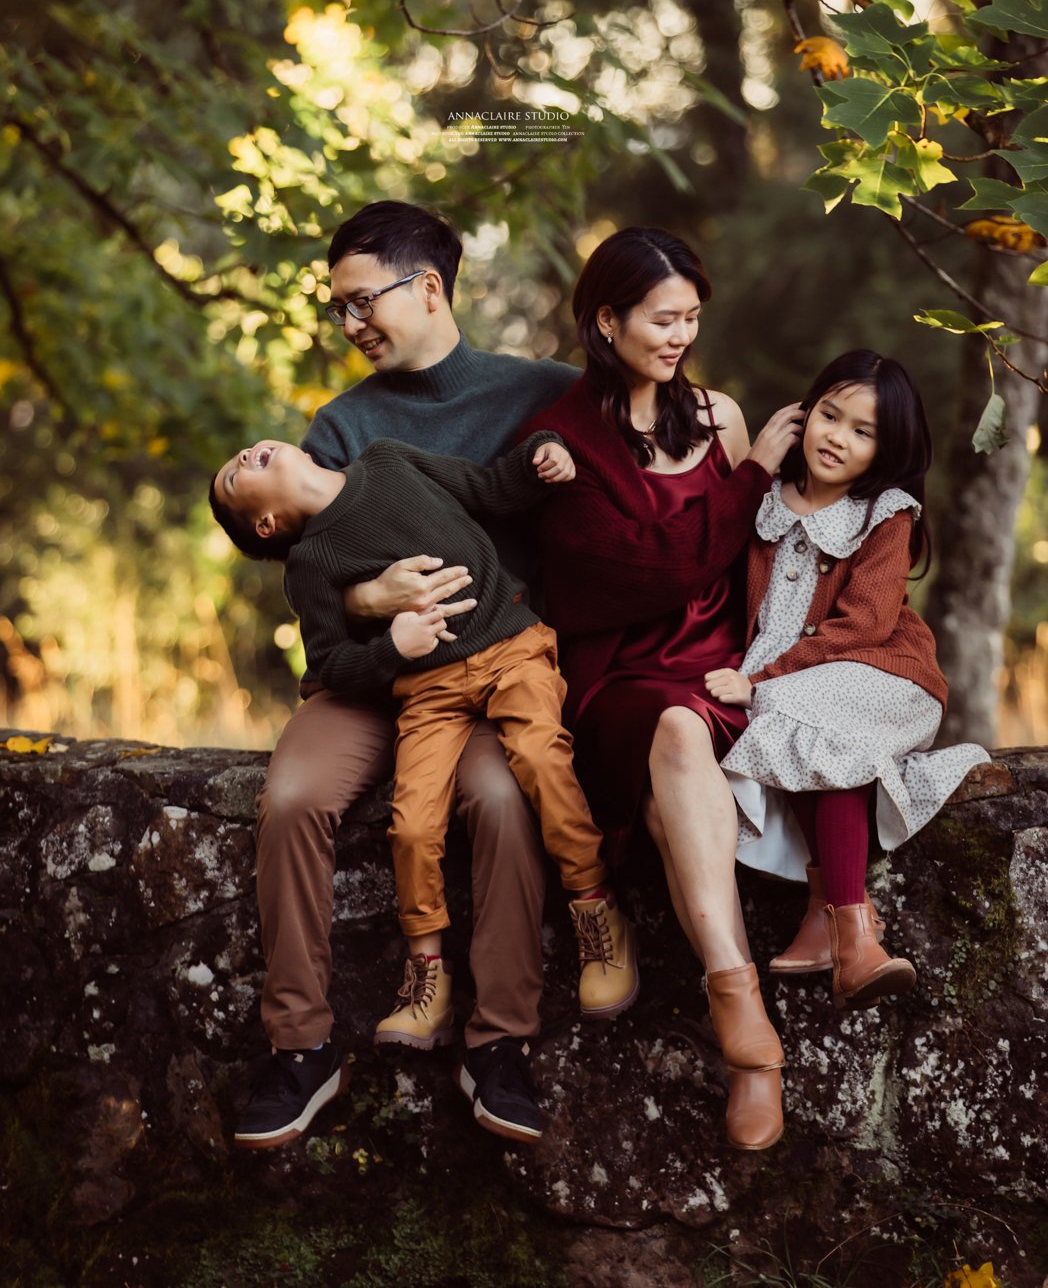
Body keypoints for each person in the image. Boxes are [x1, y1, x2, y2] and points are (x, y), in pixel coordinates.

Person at [234, 200, 579, 1150]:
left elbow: (650, 435)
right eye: (338, 310)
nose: (350, 326)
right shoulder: (342, 423)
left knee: (505, 806)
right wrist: (372, 601)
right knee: (295, 797)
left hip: (487, 675)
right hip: (364, 683)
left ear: (427, 286)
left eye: (361, 302)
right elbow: (316, 579)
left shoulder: (543, 390)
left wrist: (746, 431)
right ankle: (300, 1048)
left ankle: (497, 1043)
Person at [209, 429, 636, 1071]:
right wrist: (391, 648)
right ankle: (426, 974)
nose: (243, 454)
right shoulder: (311, 567)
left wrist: (541, 454)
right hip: (427, 687)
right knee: (411, 824)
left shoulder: (387, 458)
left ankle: (594, 906)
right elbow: (330, 664)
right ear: (267, 524)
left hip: (511, 649)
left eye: (240, 451)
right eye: (234, 476)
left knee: (541, 761)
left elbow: (488, 489)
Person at [521, 226, 804, 1154]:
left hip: (724, 668)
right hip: (619, 681)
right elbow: (648, 572)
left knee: (680, 762)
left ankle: (744, 1031)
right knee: (673, 732)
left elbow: (760, 551)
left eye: (692, 317)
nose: (681, 334)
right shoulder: (559, 441)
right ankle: (744, 1018)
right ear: (606, 320)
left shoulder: (719, 416)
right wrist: (756, 467)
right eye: (662, 317)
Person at [705, 350, 989, 1010]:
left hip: (884, 679)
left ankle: (851, 935)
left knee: (802, 721)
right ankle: (835, 922)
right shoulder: (768, 504)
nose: (837, 436)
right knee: (797, 730)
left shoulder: (885, 514)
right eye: (830, 415)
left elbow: (864, 625)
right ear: (806, 411)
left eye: (863, 431)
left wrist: (764, 679)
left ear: (886, 450)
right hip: (791, 685)